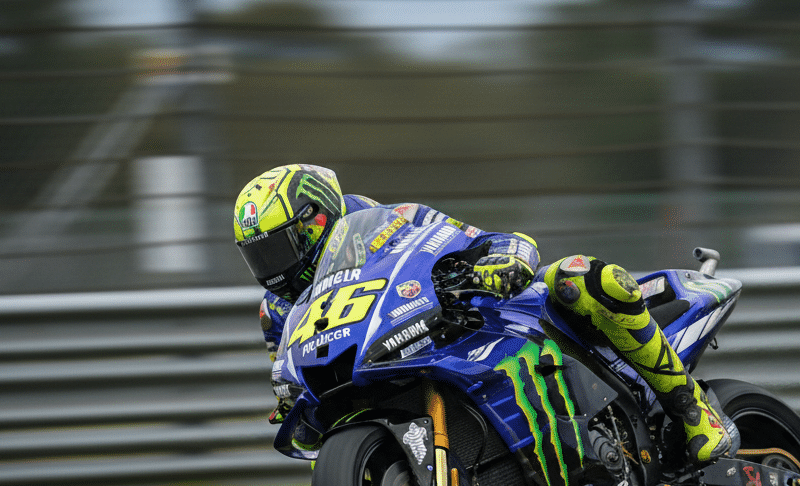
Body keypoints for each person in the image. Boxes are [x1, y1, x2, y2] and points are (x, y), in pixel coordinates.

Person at [233, 163, 734, 467]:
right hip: (385, 369)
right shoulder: (278, 310)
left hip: (481, 319)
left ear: (317, 219)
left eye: (280, 248)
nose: (271, 268)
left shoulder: (393, 222)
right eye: (259, 255)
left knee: (578, 277)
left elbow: (491, 239)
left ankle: (691, 410)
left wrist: (505, 262)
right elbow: (288, 369)